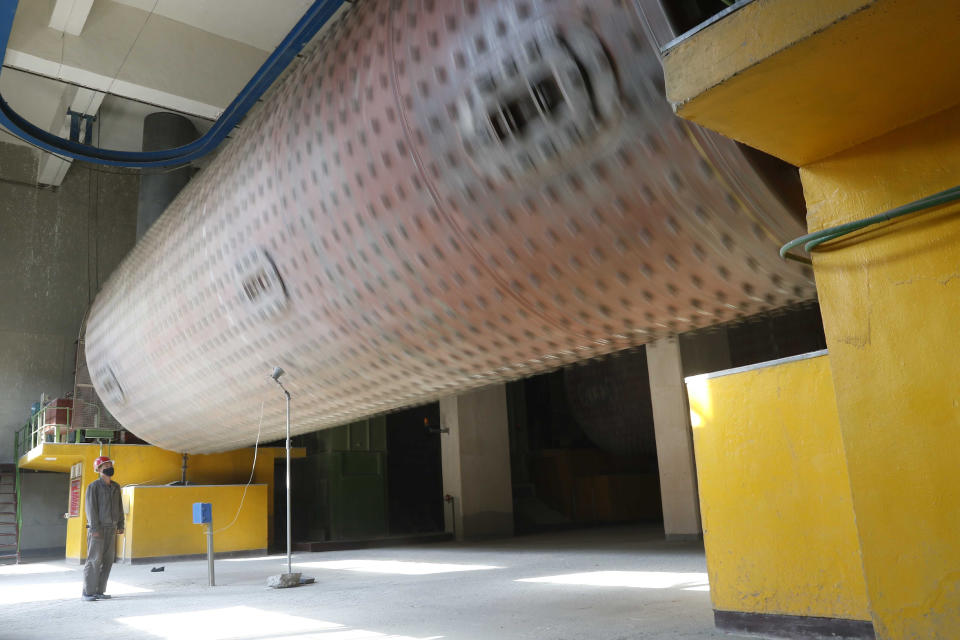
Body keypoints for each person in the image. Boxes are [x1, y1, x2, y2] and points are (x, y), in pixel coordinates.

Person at [82, 455, 124, 601]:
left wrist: (120, 524)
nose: (109, 468)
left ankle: (99, 591)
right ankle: (87, 592)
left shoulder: (116, 487)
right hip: (98, 530)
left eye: (110, 466)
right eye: (105, 467)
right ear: (98, 469)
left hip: (111, 529)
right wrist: (94, 529)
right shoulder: (93, 487)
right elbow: (90, 509)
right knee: (94, 560)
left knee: (107, 561)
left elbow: (119, 507)